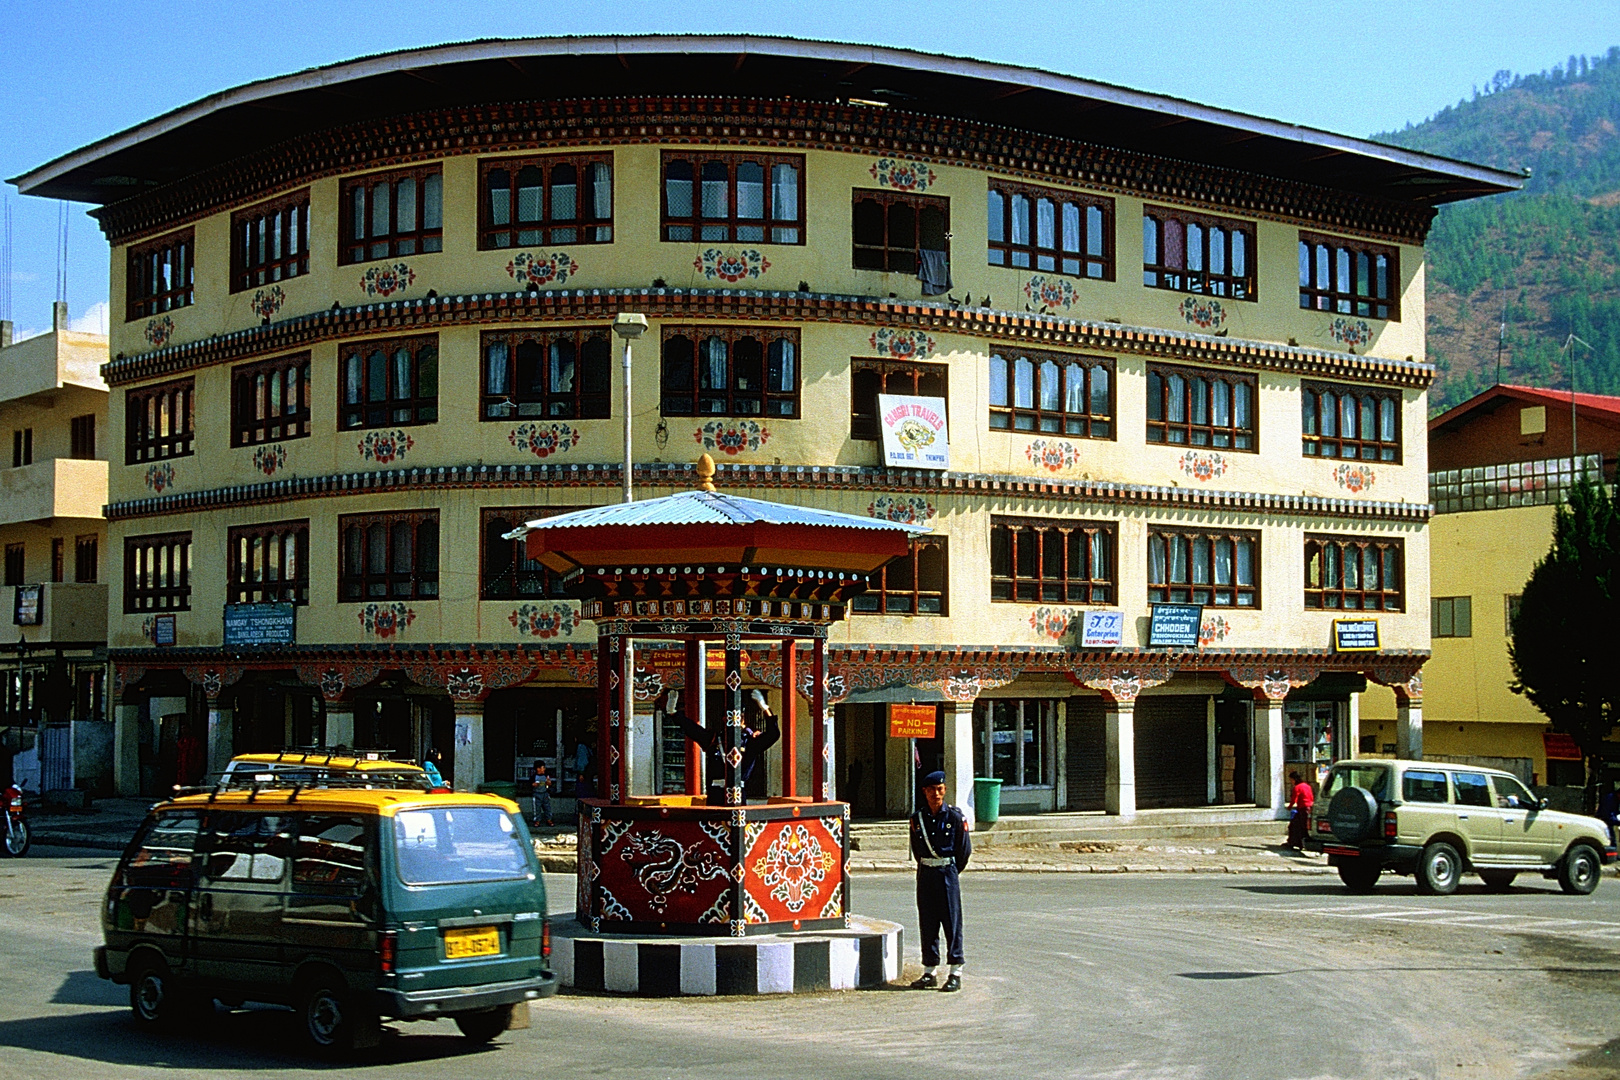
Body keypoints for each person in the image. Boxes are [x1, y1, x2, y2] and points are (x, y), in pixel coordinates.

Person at [660, 687, 779, 805]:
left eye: (740, 717)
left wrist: (765, 708)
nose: (736, 720)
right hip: (716, 792)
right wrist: (673, 713)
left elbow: (773, 734)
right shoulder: (715, 739)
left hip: (738, 794)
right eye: (730, 717)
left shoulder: (750, 741)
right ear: (724, 719)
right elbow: (692, 729)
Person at [910, 770, 971, 992]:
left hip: (947, 872)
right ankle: (929, 971)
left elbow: (964, 850)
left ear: (944, 790)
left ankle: (955, 971)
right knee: (928, 922)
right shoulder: (917, 819)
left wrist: (950, 870)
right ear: (924, 792)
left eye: (940, 789)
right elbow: (917, 851)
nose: (936, 793)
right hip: (926, 873)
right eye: (931, 790)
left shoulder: (955, 817)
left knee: (951, 922)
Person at [1285, 770, 1314, 850]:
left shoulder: (1297, 788)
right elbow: (1311, 797)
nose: (1291, 782)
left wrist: (1289, 807)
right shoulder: (1307, 786)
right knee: (1298, 825)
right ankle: (1295, 842)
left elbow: (1294, 799)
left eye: (1291, 780)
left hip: (1303, 809)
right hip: (1309, 807)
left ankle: (1297, 842)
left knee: (1298, 826)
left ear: (1294, 779)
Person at [530, 759, 553, 827]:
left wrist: (548, 783)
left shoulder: (546, 775)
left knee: (547, 807)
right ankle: (537, 820)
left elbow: (549, 784)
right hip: (536, 794)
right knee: (537, 808)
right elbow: (530, 784)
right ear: (538, 769)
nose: (544, 769)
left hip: (545, 793)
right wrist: (533, 784)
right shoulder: (534, 776)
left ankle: (549, 819)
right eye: (542, 768)